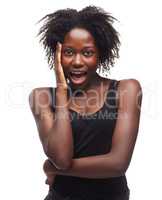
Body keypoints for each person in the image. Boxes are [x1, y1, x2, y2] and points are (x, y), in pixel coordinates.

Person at [29, 6, 142, 200]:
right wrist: (62, 92)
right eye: (69, 52)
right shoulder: (42, 97)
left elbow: (118, 164)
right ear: (57, 55)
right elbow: (62, 159)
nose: (77, 61)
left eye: (87, 53)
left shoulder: (127, 89)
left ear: (100, 54)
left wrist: (50, 167)